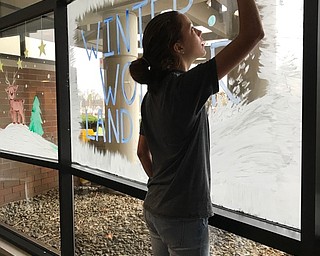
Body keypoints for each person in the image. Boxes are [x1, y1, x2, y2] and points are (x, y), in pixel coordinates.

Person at [129, 1, 264, 255]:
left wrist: (163, 186)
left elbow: (141, 152)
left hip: (154, 209)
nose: (200, 33)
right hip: (183, 218)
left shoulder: (151, 96)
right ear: (178, 47)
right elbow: (253, 33)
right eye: (192, 29)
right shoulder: (187, 87)